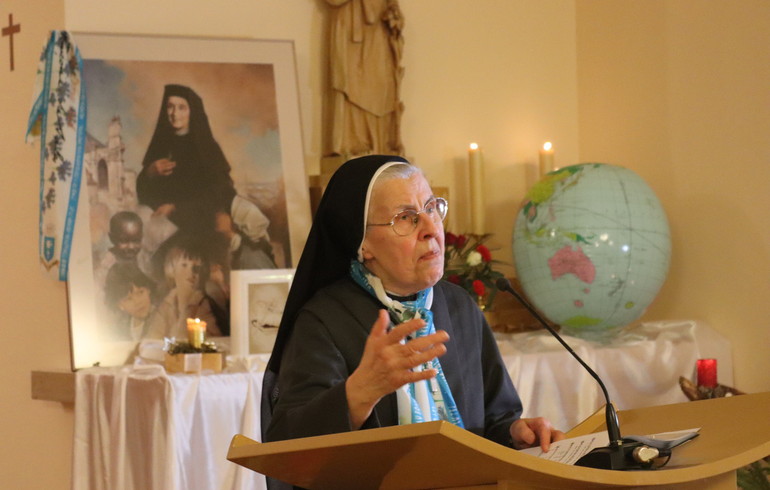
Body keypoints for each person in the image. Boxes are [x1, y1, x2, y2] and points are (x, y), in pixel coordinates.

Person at [262, 156, 564, 485]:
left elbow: (495, 417)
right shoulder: (323, 320)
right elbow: (287, 447)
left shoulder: (459, 306)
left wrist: (515, 433)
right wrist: (358, 394)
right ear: (363, 244)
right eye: (406, 218)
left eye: (432, 208)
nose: (431, 229)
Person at [324, 0, 405, 156]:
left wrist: (394, 15)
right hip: (352, 25)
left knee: (381, 88)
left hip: (380, 28)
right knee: (352, 83)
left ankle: (381, 144)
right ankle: (354, 142)